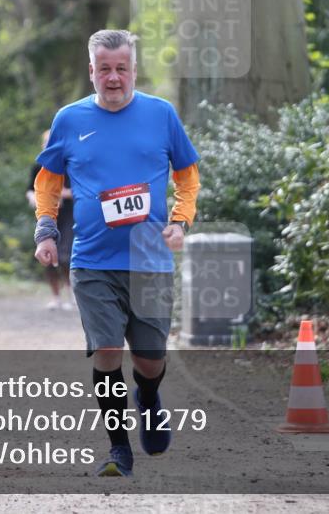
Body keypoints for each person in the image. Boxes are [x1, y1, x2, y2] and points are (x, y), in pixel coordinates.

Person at [32, 29, 200, 477]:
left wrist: (181, 220)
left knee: (150, 360)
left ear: (133, 71)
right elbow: (47, 182)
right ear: (91, 71)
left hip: (149, 260)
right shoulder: (69, 119)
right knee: (107, 352)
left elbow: (187, 176)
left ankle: (148, 397)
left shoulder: (161, 114)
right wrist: (46, 230)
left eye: (121, 69)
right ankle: (118, 449)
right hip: (91, 261)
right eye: (104, 69)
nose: (113, 77)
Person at [27, 130, 76, 310]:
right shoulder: (38, 167)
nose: (48, 145)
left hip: (69, 216)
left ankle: (71, 294)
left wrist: (60, 193)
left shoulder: (71, 166)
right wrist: (33, 197)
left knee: (65, 256)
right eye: (45, 142)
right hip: (45, 217)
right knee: (46, 256)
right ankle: (55, 297)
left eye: (52, 142)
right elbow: (30, 189)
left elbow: (82, 191)